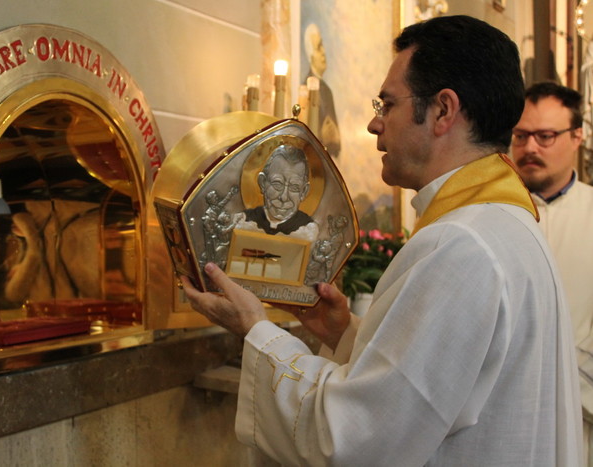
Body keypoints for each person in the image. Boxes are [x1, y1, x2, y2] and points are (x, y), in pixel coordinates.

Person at [182, 15, 582, 465]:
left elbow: (357, 438)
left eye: (387, 104)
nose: (374, 123)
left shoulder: (460, 244)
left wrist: (257, 330)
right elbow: (443, 385)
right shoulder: (504, 222)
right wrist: (346, 333)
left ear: (443, 111)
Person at [511, 81, 593, 466]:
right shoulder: (491, 212)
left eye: (545, 136)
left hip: (580, 418)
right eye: (521, 135)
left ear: (578, 136)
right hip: (504, 417)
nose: (530, 148)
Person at [237, 144, 319, 242]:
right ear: (263, 183)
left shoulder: (308, 232)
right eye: (277, 184)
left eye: (294, 187)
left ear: (304, 191)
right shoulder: (243, 221)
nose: (284, 197)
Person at [304, 23, 341, 158]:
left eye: (322, 45)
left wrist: (334, 138)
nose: (324, 52)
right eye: (319, 47)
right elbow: (302, 141)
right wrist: (321, 136)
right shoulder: (304, 90)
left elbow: (336, 146)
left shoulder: (327, 91)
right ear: (311, 55)